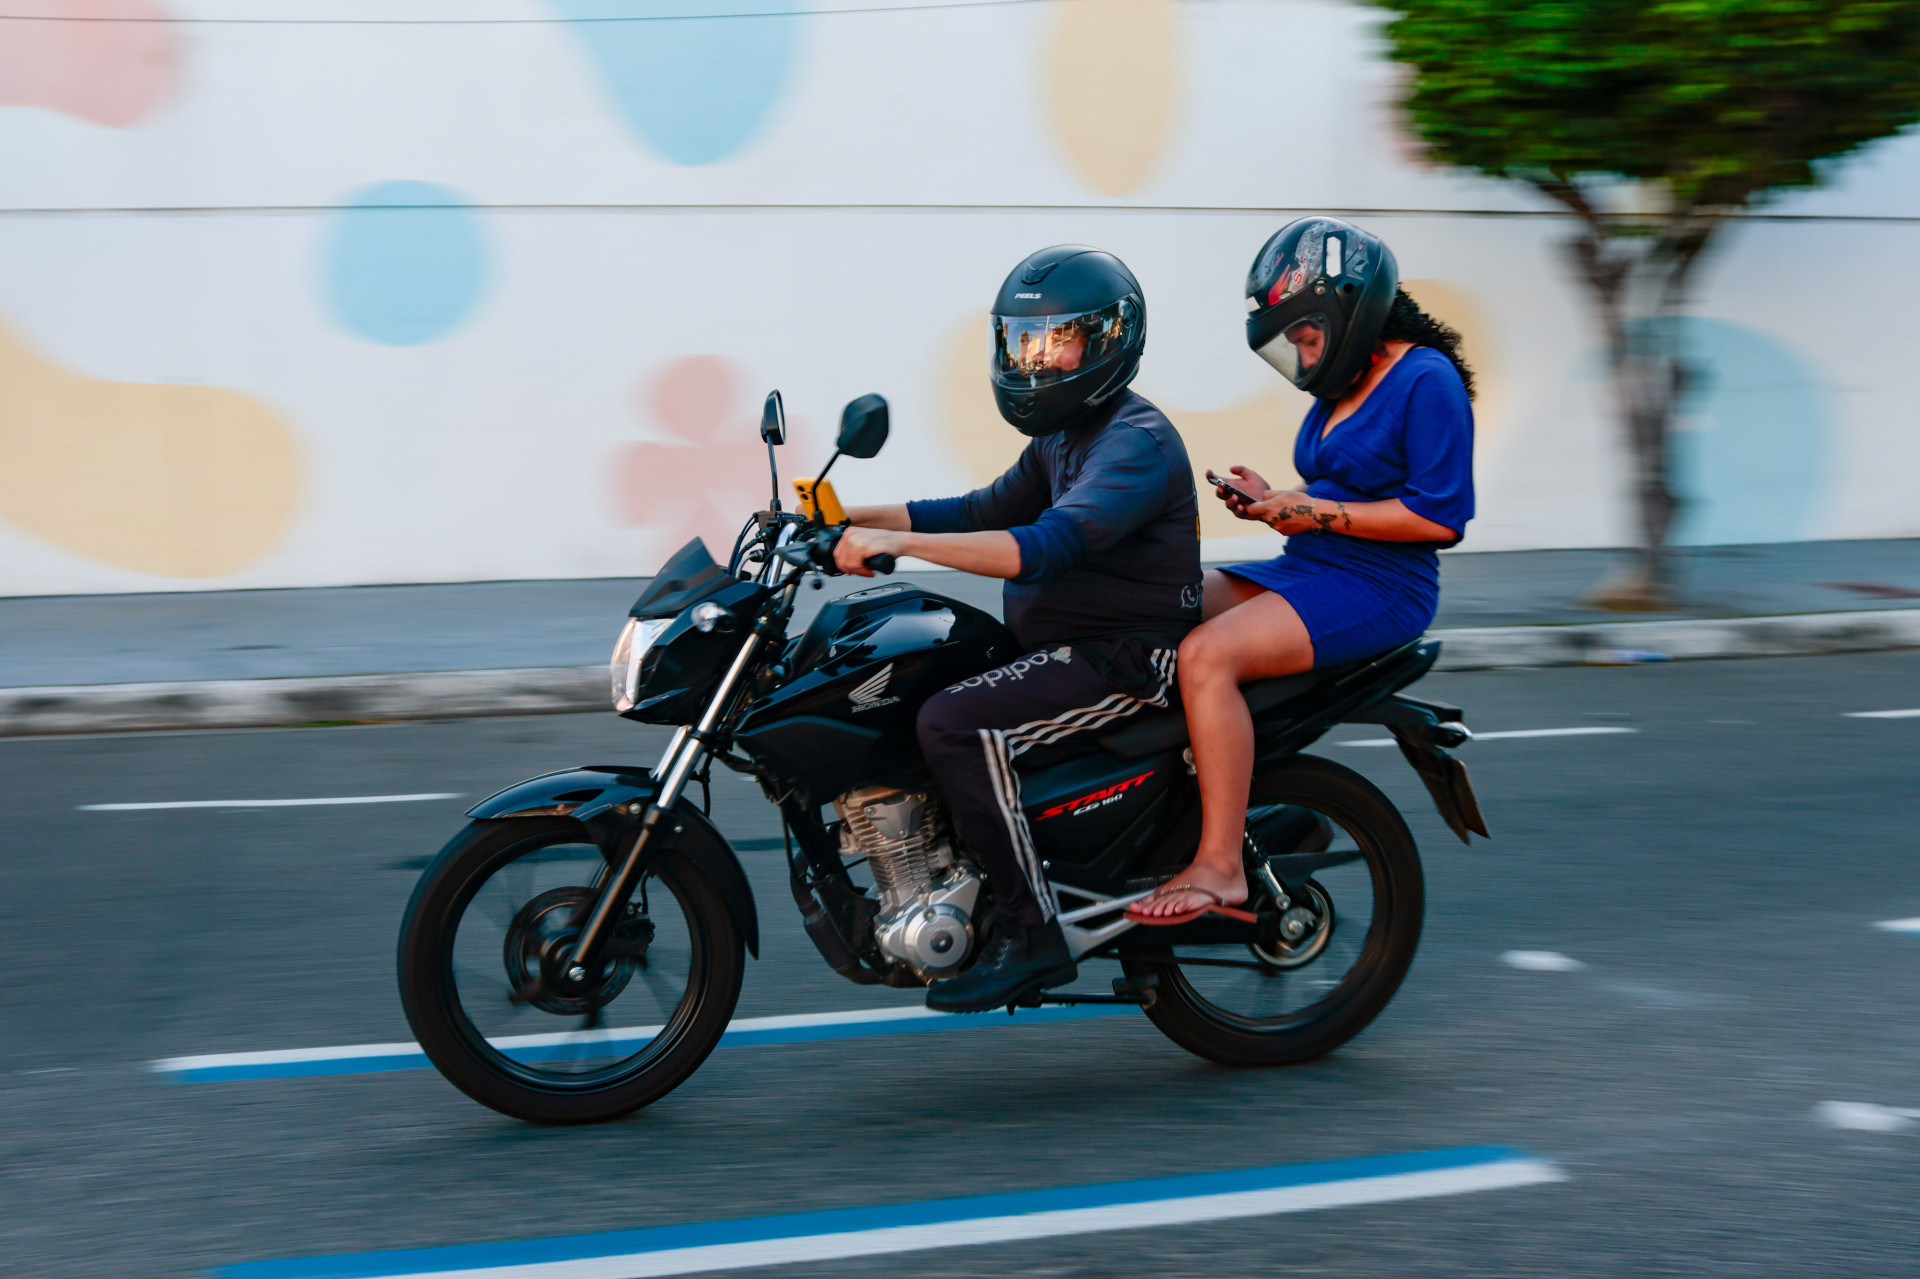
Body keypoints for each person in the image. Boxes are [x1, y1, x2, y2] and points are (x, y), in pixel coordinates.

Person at [834, 244, 1203, 1009]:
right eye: (1021, 342)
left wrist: (898, 545)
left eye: (1056, 340)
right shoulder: (1063, 435)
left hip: (1123, 661)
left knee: (954, 723)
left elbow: (1043, 545)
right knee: (910, 691)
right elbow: (978, 511)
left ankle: (1029, 927)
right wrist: (839, 515)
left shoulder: (1134, 442)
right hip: (1064, 649)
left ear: (1106, 340)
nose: (1034, 359)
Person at [1128, 217, 1475, 923]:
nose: (1304, 355)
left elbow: (1440, 518)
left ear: (1348, 310)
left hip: (1381, 586)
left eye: (1309, 337)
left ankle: (1221, 864)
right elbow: (1350, 488)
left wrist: (1312, 512)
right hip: (1312, 564)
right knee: (1158, 600)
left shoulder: (1425, 380)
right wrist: (1277, 501)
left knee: (1205, 656)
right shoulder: (1345, 381)